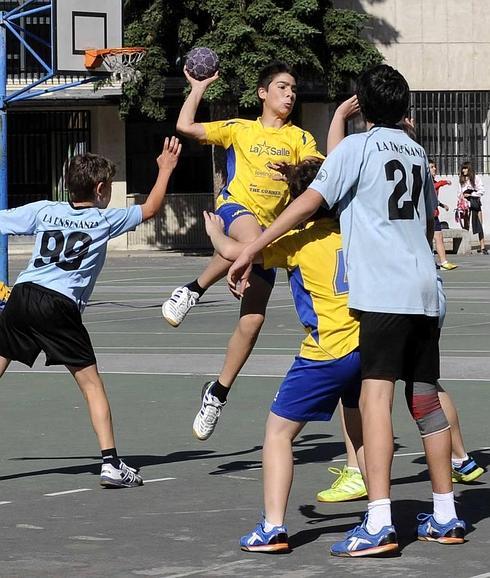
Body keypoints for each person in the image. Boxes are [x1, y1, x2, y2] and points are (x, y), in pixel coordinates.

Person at [227, 64, 466, 556]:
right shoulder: (419, 154)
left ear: (363, 104)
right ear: (403, 107)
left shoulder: (355, 149)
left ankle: (379, 521)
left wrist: (254, 247)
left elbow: (306, 204)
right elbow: (425, 225)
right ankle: (446, 515)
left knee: (375, 401)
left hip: (383, 293)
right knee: (424, 400)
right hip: (425, 288)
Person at [203, 158, 365, 553]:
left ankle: (273, 527)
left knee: (277, 433)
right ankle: (379, 516)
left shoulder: (296, 243)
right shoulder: (358, 234)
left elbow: (234, 250)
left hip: (325, 350)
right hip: (368, 346)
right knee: (364, 430)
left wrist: (214, 231)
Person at [0, 137, 181, 488]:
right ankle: (111, 464)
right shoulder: (103, 220)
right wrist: (166, 170)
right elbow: (152, 207)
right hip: (58, 306)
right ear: (100, 190)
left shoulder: (43, 210)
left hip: (22, 296)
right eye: (110, 186)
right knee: (91, 385)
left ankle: (112, 464)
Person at [161, 62, 323, 441]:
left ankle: (217, 393)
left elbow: (319, 174)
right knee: (247, 243)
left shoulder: (301, 138)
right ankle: (193, 290)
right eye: (282, 87)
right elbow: (185, 127)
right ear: (262, 93)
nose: (290, 94)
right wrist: (198, 88)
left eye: (294, 89)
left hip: (272, 230)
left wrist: (295, 172)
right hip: (237, 209)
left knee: (252, 321)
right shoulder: (239, 129)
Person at [428, 159, 457, 270]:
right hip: (426, 216)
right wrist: (444, 182)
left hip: (434, 215)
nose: (434, 169)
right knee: (427, 240)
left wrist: (442, 205)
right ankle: (429, 262)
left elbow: (433, 198)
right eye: (431, 167)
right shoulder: (427, 183)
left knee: (439, 237)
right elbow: (433, 189)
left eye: (434, 166)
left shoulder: (434, 183)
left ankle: (444, 262)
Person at [457, 161, 487, 254]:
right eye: (463, 168)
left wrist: (471, 194)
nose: (463, 170)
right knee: (466, 225)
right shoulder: (462, 179)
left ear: (469, 169)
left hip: (475, 203)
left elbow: (481, 190)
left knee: (479, 224)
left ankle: (482, 246)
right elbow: (460, 192)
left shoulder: (476, 178)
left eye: (465, 168)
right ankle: (466, 246)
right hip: (465, 204)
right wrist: (461, 197)